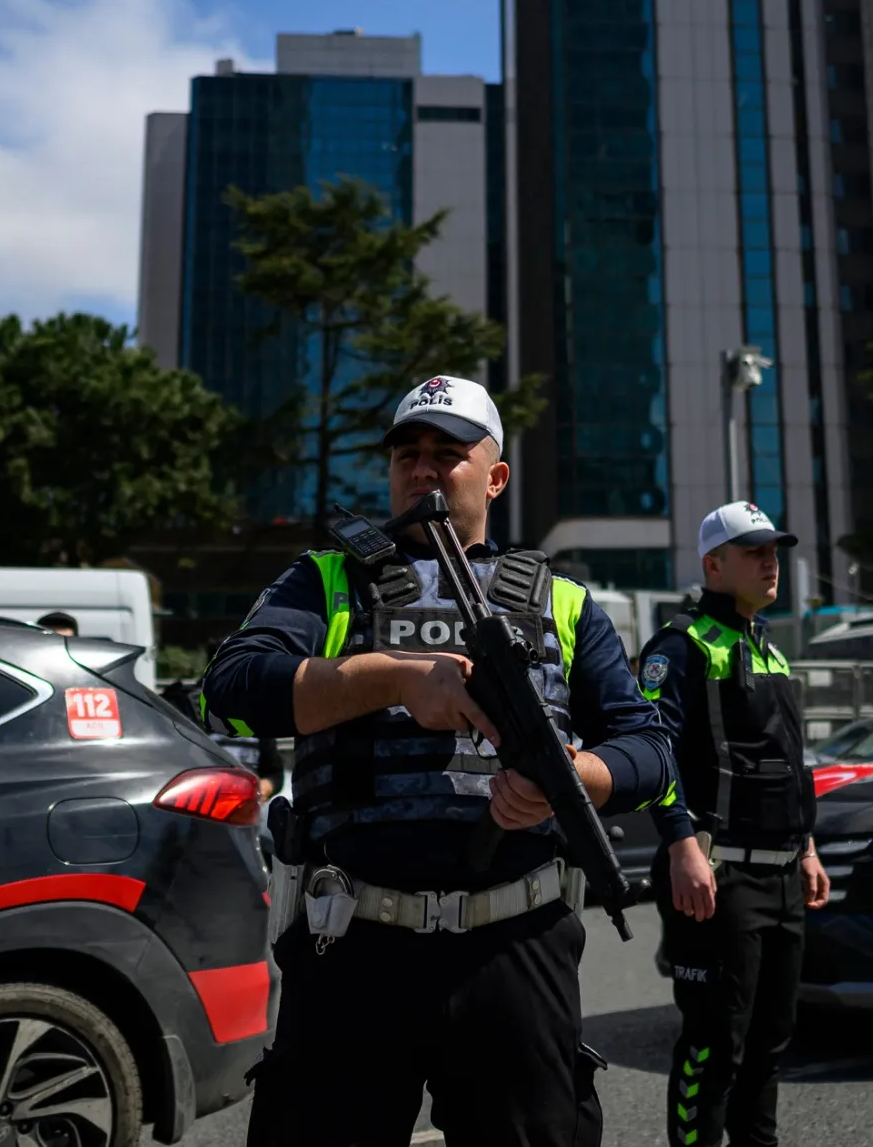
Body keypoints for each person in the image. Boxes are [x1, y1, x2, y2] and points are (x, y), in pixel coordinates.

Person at [198, 374, 675, 1147]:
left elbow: (648, 749)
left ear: (495, 477)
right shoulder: (325, 579)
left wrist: (566, 781)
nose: (420, 469)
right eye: (406, 453)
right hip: (351, 941)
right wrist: (391, 678)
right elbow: (230, 688)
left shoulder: (563, 600)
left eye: (446, 454)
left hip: (514, 942)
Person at [639, 501, 830, 1147]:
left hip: (782, 876)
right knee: (713, 1044)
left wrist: (806, 846)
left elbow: (786, 760)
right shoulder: (681, 645)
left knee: (770, 1045)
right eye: (755, 551)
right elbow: (651, 753)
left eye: (774, 549)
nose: (771, 561)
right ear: (713, 565)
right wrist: (681, 847)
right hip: (718, 876)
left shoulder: (768, 647)